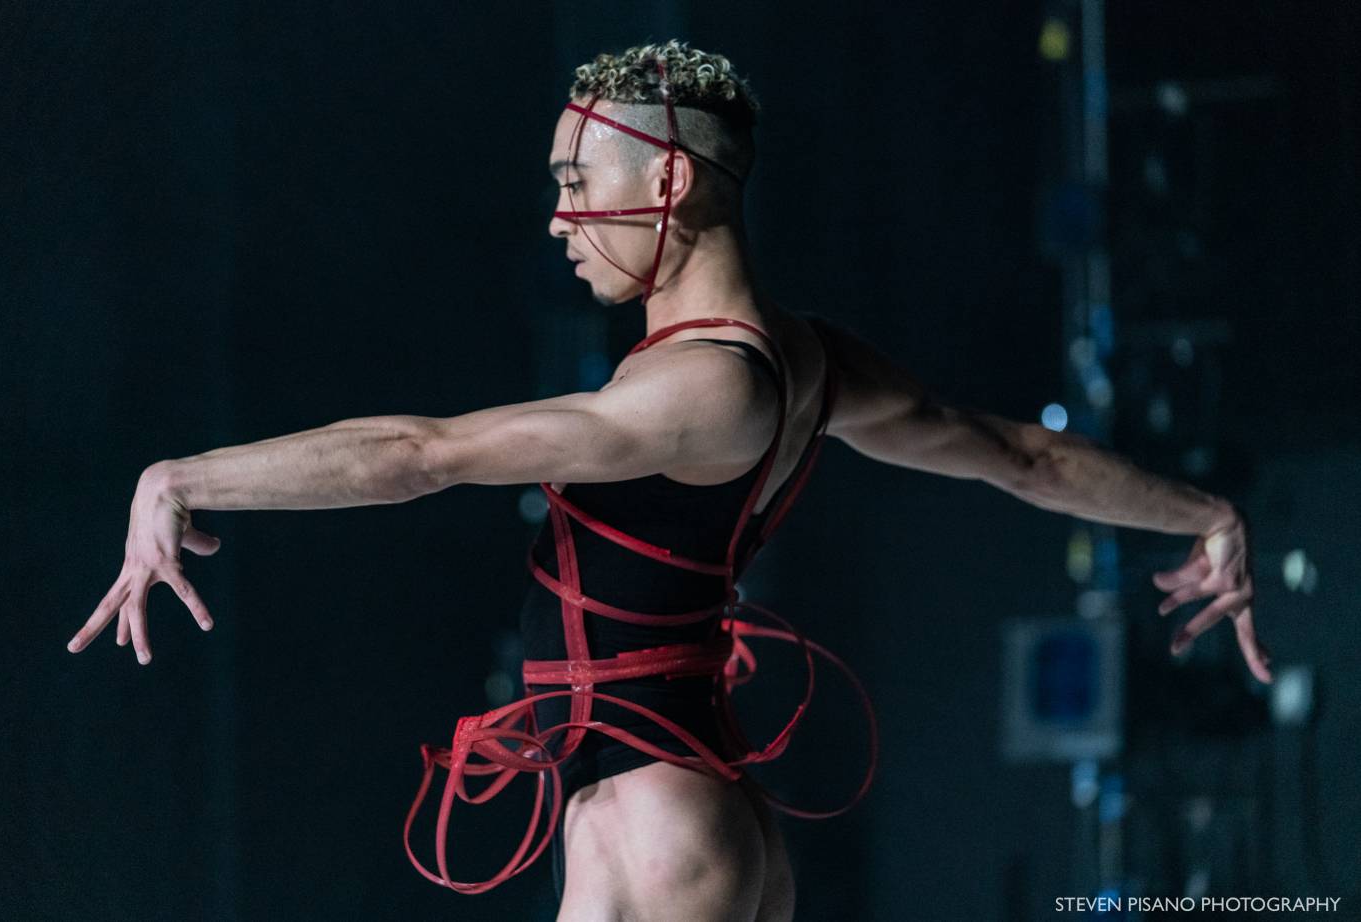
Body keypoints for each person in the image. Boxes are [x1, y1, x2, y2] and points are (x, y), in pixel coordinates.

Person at [66, 39, 1272, 922]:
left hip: (656, 816)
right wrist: (1204, 515)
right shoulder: (804, 361)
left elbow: (420, 453)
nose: (557, 218)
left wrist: (182, 477)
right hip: (679, 804)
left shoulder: (696, 390)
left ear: (668, 184)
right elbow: (1015, 454)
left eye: (574, 182)